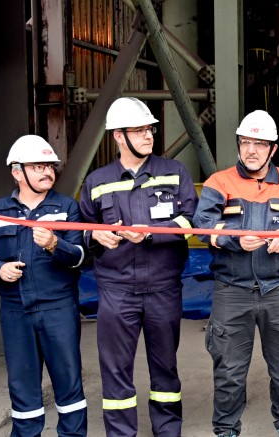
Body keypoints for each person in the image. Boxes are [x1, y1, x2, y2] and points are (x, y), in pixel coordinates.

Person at [194, 110, 279, 437]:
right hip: (231, 289)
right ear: (238, 145)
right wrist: (233, 240)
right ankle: (226, 430)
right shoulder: (218, 183)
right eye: (246, 142)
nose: (251, 150)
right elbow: (202, 226)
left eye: (259, 144)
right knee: (229, 372)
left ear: (272, 149)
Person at [79, 97, 197, 437]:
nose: (149, 135)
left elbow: (191, 220)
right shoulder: (97, 181)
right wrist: (99, 237)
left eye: (150, 129)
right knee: (115, 371)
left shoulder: (175, 173)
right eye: (140, 130)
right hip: (116, 289)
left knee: (165, 368)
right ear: (118, 136)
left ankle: (167, 430)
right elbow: (84, 228)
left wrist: (154, 231)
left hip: (163, 286)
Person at [0, 135, 88, 437]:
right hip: (15, 312)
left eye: (50, 166)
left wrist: (55, 244)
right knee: (22, 388)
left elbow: (80, 257)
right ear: (16, 171)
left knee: (68, 383)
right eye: (38, 166)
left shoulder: (66, 209)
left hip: (58, 308)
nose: (47, 172)